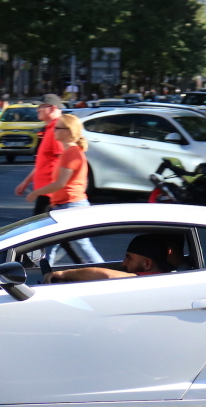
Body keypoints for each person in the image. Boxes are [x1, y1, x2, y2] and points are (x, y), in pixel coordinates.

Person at [25, 113, 102, 263]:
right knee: (49, 244)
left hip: (71, 206)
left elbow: (61, 183)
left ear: (68, 131)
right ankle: (45, 276)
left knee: (82, 247)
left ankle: (107, 277)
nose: (54, 131)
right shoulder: (70, 152)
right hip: (66, 205)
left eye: (57, 128)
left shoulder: (71, 153)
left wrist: (36, 193)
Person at [47, 234, 177, 283]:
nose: (123, 263)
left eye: (129, 258)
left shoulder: (151, 279)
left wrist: (62, 274)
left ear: (147, 264)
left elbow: (106, 275)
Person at [13, 94, 64, 215]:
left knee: (44, 229)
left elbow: (64, 161)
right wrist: (26, 182)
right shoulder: (49, 129)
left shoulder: (58, 130)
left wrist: (57, 187)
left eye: (41, 106)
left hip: (50, 192)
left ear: (52, 108)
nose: (37, 109)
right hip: (45, 190)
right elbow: (43, 162)